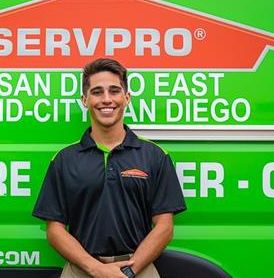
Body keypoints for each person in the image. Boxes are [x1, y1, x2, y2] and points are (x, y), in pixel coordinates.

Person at [33, 58, 186, 278]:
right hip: (81, 270)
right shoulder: (64, 159)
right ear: (85, 100)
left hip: (138, 269)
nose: (106, 99)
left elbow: (164, 226)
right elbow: (55, 230)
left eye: (114, 91)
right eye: (97, 92)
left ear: (127, 97)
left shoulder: (154, 156)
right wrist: (96, 269)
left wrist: (128, 271)